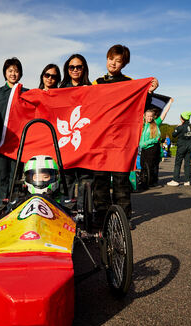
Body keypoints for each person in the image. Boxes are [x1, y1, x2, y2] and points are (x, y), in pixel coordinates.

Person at [91, 44, 159, 229]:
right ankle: (102, 216)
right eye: (110, 59)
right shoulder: (97, 83)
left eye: (118, 60)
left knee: (121, 180)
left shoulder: (130, 82)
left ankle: (124, 217)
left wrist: (149, 90)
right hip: (100, 140)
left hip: (121, 140)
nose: (113, 63)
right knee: (100, 180)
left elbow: (142, 106)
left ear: (124, 64)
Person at [0, 57, 26, 207]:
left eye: (16, 71)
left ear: (20, 73)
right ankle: (2, 206)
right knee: (1, 175)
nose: (13, 74)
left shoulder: (26, 92)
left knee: (16, 176)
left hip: (18, 143)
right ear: (5, 73)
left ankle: (15, 205)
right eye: (10, 71)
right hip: (0, 143)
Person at [59, 54, 93, 206]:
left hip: (86, 141)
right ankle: (66, 212)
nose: (75, 70)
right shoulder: (60, 90)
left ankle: (84, 212)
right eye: (71, 67)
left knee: (86, 179)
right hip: (66, 142)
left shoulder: (92, 88)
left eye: (78, 67)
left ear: (83, 68)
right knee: (67, 180)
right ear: (67, 69)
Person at [140, 99, 173, 187]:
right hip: (143, 148)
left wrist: (169, 103)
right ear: (144, 116)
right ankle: (144, 181)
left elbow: (164, 114)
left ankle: (151, 182)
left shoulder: (155, 123)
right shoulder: (142, 124)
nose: (149, 118)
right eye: (148, 116)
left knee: (151, 166)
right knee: (143, 165)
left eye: (151, 116)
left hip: (152, 148)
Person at [167, 111, 191, 186]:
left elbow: (173, 135)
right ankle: (187, 180)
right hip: (189, 146)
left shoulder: (181, 127)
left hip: (182, 146)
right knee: (187, 164)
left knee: (178, 163)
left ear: (182, 119)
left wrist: (177, 127)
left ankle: (175, 180)